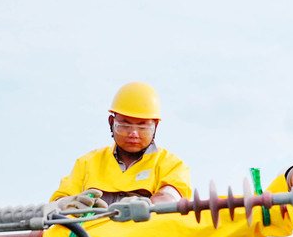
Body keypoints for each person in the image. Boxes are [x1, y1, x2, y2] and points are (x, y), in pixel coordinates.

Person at [51, 82, 191, 209]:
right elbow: (55, 205)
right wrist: (66, 203)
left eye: (142, 127)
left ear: (155, 126)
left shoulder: (171, 165)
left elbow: (170, 199)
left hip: (145, 229)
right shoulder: (87, 163)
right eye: (125, 125)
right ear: (111, 122)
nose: (133, 134)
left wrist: (147, 206)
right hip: (89, 230)